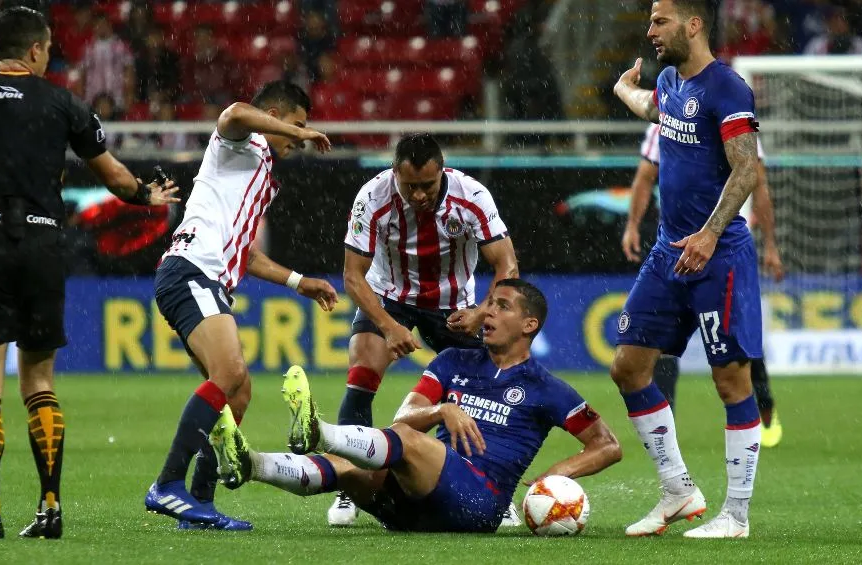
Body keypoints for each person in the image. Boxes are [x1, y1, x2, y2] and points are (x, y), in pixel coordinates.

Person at [0, 6, 179, 539]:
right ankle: (50, 507)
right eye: (48, 49)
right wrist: (147, 194)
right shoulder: (63, 102)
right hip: (42, 243)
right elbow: (116, 176)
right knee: (39, 381)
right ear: (34, 50)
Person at [209, 279, 623, 533]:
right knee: (351, 468)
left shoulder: (547, 388)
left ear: (529, 325)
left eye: (501, 306)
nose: (487, 312)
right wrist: (440, 411)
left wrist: (556, 473)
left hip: (478, 504)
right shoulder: (451, 362)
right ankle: (251, 465)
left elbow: (607, 445)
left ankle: (317, 432)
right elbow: (403, 419)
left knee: (406, 443)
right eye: (488, 302)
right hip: (413, 505)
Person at [144, 80, 339, 531]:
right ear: (271, 114)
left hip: (207, 277)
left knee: (239, 392)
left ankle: (198, 505)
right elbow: (233, 111)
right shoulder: (239, 141)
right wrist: (300, 133)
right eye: (295, 125)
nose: (299, 136)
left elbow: (246, 253)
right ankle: (167, 485)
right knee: (228, 375)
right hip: (191, 269)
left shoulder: (263, 176)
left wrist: (298, 281)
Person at [612, 0, 765, 538]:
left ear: (693, 24)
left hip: (718, 255)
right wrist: (620, 90)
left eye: (660, 21)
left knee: (731, 382)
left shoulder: (727, 89)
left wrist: (710, 233)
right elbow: (649, 107)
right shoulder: (673, 80)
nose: (650, 31)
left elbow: (748, 167)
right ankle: (678, 490)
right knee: (628, 366)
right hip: (666, 254)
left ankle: (736, 516)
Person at [330, 133, 520, 526]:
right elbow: (353, 276)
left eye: (427, 186)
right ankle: (351, 484)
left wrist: (481, 310)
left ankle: (490, 487)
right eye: (409, 186)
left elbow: (508, 266)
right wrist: (388, 325)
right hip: (389, 294)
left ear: (442, 170)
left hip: (453, 305)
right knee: (361, 375)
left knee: (486, 390)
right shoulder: (372, 197)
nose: (418, 196)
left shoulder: (472, 195)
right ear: (394, 173)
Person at [623, 123, 784, 447]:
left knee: (740, 346)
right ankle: (668, 424)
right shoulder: (666, 123)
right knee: (662, 343)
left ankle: (765, 406)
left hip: (727, 251)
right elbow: (644, 177)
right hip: (677, 249)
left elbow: (759, 183)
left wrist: (770, 245)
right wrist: (632, 226)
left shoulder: (736, 125)